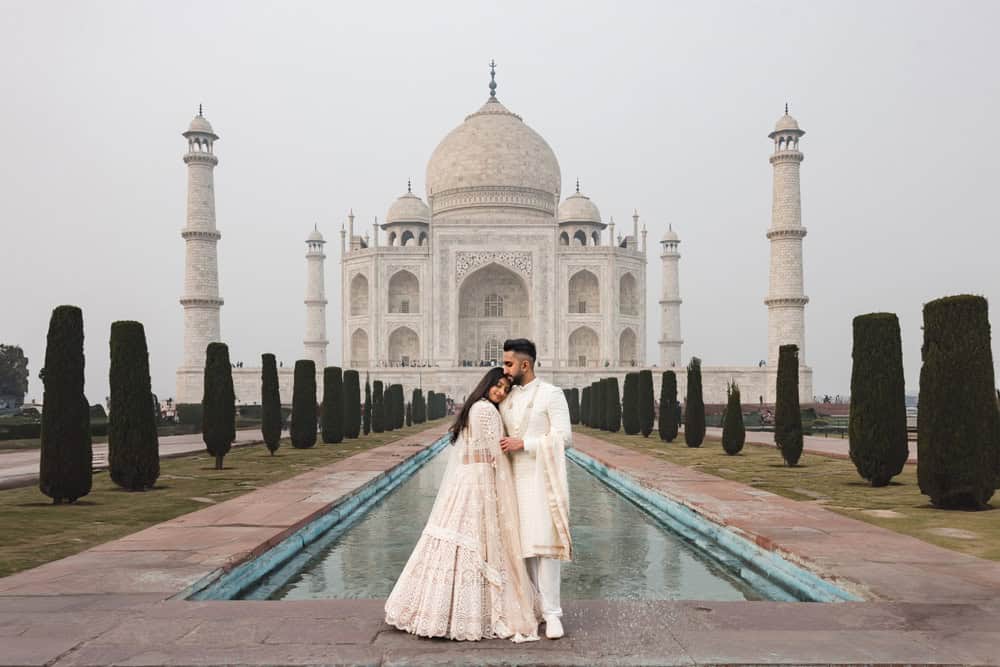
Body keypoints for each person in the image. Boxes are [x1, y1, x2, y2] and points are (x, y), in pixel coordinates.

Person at [384, 367, 539, 642]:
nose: (501, 392)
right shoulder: (487, 411)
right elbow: (496, 454)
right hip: (480, 482)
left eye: (505, 389)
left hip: (466, 480)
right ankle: (472, 613)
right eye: (498, 386)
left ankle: (436, 609)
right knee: (480, 544)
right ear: (488, 384)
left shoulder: (474, 407)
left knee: (457, 541)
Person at [498, 338, 573, 639]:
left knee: (545, 548)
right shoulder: (507, 398)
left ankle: (553, 614)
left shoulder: (551, 395)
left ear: (524, 364)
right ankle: (533, 607)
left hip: (542, 480)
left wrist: (525, 444)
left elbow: (564, 437)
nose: (503, 368)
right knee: (522, 549)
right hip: (512, 479)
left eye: (508, 363)